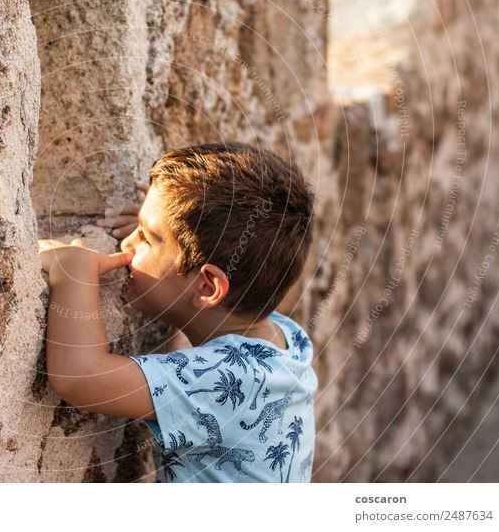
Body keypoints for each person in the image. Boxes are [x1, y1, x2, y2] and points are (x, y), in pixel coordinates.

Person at [38, 142, 317, 482]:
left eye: (145, 237)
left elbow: (80, 377)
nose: (128, 244)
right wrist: (165, 228)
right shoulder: (288, 337)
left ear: (208, 287)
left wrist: (73, 270)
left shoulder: (224, 383)